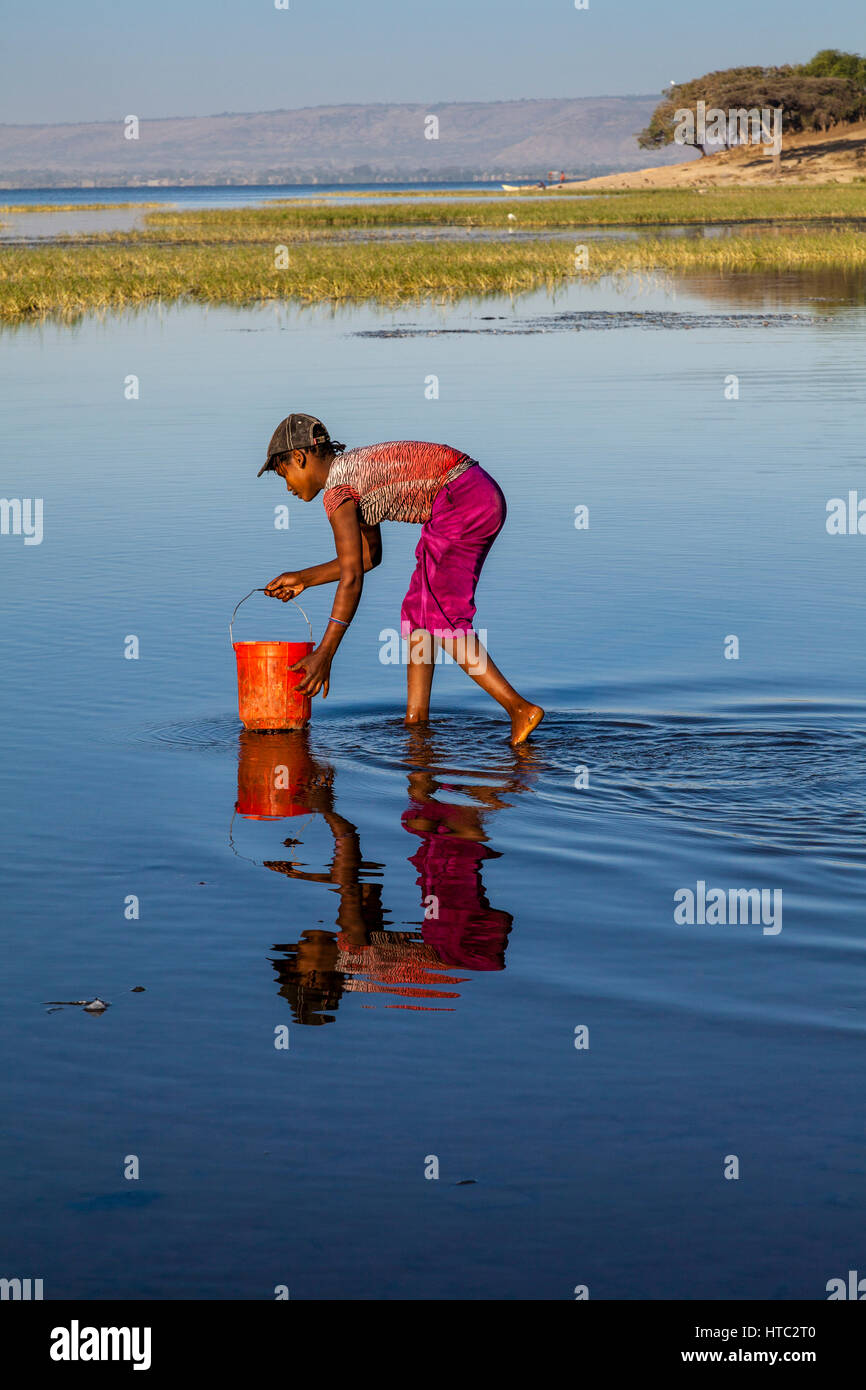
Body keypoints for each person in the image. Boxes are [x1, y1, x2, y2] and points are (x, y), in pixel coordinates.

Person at [258, 413, 543, 744]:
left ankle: (519, 709)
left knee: (443, 616)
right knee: (418, 614)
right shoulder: (351, 476)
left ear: (300, 457)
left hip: (461, 501)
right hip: (472, 493)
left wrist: (325, 652)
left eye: (285, 475)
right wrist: (304, 578)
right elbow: (367, 558)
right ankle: (416, 722)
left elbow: (352, 579)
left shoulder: (337, 492)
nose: (289, 487)